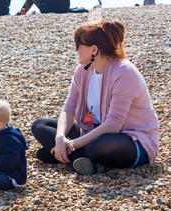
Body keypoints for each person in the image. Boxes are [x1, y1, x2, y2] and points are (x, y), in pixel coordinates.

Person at [31, 20, 159, 175]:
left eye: (78, 44)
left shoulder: (124, 73)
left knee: (98, 145)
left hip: (131, 139)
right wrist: (59, 138)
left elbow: (112, 125)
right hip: (92, 131)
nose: (76, 49)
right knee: (40, 125)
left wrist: (73, 143)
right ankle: (81, 159)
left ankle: (68, 155)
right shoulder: (82, 71)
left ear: (94, 49)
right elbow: (68, 110)